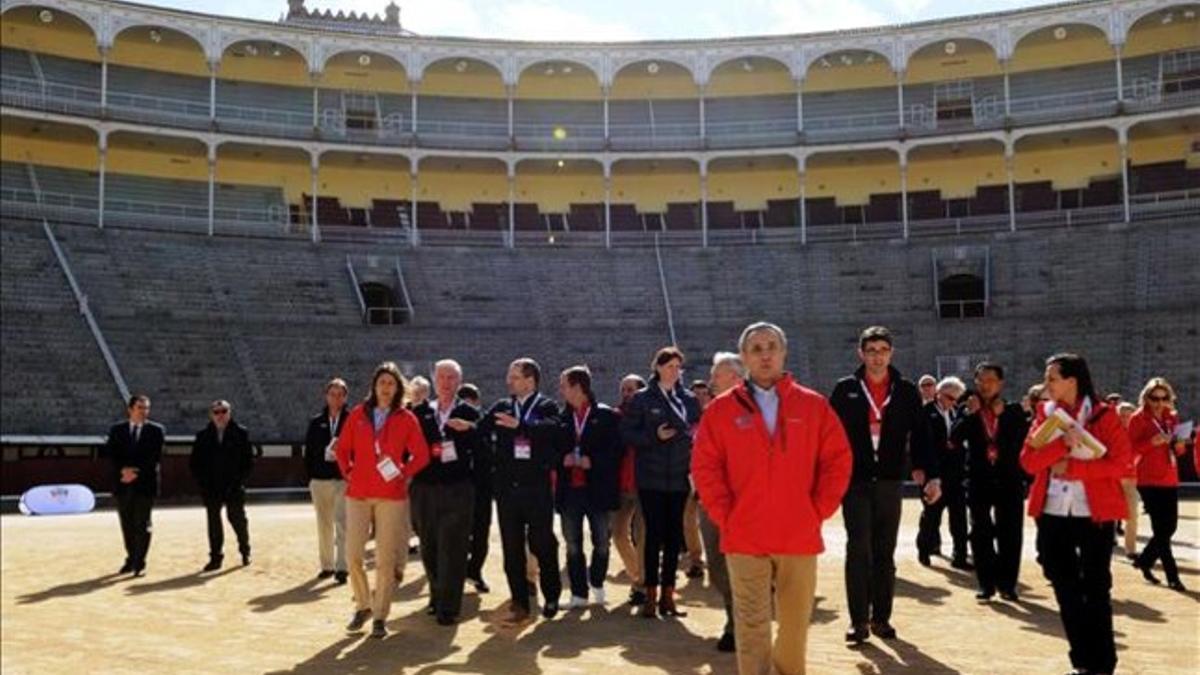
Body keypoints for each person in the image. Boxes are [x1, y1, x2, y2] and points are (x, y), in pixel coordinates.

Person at [694, 323, 853, 675]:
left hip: (797, 533)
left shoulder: (813, 406)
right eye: (756, 349)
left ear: (783, 353)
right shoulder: (720, 412)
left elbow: (837, 461)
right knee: (751, 626)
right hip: (744, 535)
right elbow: (706, 468)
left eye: (771, 347)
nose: (765, 354)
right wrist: (726, 515)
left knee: (795, 625)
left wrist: (817, 510)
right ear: (745, 358)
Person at [1021, 353, 1130, 675]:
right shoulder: (1045, 414)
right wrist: (1061, 447)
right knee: (1064, 587)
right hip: (1053, 513)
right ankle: (1083, 661)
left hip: (1094, 514)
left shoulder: (1104, 415)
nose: (1047, 384)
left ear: (1073, 380)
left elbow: (1121, 463)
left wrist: (1073, 468)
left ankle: (1103, 664)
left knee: (1096, 589)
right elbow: (1028, 462)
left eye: (1052, 378)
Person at [830, 326, 939, 644]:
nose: (877, 356)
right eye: (871, 350)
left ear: (891, 353)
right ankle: (858, 621)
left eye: (883, 350)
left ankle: (881, 619)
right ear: (860, 353)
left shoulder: (905, 390)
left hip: (890, 480)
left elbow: (921, 434)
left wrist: (926, 470)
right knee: (857, 549)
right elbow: (830, 435)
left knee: (884, 552)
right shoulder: (845, 389)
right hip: (855, 481)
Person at [335, 361, 431, 639]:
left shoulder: (406, 418)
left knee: (385, 559)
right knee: (353, 555)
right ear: (374, 386)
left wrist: (403, 473)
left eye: (391, 383)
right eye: (382, 383)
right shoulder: (357, 415)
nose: (386, 388)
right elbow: (342, 450)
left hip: (391, 495)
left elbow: (421, 454)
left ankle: (380, 615)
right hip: (359, 494)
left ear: (397, 387)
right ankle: (363, 604)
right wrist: (349, 473)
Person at [478, 358, 564, 624]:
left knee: (542, 542)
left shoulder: (546, 406)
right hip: (507, 490)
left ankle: (551, 594)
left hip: (536, 489)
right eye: (510, 376)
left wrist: (522, 427)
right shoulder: (503, 406)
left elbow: (555, 432)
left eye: (514, 377)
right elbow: (482, 429)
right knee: (511, 547)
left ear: (530, 380)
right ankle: (519, 602)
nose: (509, 381)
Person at [621, 346, 701, 619]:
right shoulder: (642, 399)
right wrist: (654, 437)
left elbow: (698, 429)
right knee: (652, 536)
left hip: (679, 477)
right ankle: (650, 595)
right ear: (657, 367)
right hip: (651, 477)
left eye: (678, 367)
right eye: (670, 366)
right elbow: (628, 433)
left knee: (673, 538)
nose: (674, 371)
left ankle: (669, 595)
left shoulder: (688, 399)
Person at [410, 360, 482, 625]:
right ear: (434, 380)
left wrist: (472, 429)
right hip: (424, 488)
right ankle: (436, 595)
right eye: (441, 377)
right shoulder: (420, 412)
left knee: (453, 547)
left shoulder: (470, 412)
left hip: (457, 488)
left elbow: (484, 443)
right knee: (429, 545)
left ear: (459, 382)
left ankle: (449, 607)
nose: (446, 382)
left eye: (452, 377)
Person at [955, 363, 1029, 601]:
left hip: (1009, 479)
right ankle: (986, 584)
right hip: (979, 480)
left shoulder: (1014, 410)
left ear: (1000, 383)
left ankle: (1007, 584)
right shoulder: (968, 409)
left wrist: (1001, 418)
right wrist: (970, 414)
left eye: (990, 380)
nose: (985, 385)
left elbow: (1022, 442)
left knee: (1010, 532)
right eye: (981, 380)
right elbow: (954, 439)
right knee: (980, 532)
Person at [555, 366, 623, 609]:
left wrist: (593, 461)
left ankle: (597, 581)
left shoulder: (607, 416)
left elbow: (617, 451)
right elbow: (551, 450)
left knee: (602, 541)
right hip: (570, 489)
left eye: (564, 385)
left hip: (598, 489)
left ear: (577, 387)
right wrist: (560, 460)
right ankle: (578, 593)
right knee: (572, 544)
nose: (560, 390)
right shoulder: (561, 418)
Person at [698, 351, 744, 652]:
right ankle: (736, 616)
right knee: (716, 566)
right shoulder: (711, 411)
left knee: (740, 566)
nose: (712, 378)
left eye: (718, 373)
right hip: (710, 501)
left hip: (742, 503)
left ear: (736, 378)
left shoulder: (754, 410)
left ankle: (739, 624)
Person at [1129, 377, 1188, 591]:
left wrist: (1180, 444)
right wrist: (1150, 443)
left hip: (1169, 476)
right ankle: (1173, 576)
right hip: (1148, 479)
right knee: (1161, 529)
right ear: (1146, 397)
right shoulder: (1138, 418)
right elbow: (1130, 450)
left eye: (1164, 398)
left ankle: (1145, 560)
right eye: (1155, 398)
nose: (1159, 402)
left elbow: (1179, 451)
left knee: (1169, 528)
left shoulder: (1172, 417)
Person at [190, 400, 254, 571]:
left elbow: (248, 462)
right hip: (211, 487)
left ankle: (245, 549)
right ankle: (215, 557)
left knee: (237, 519)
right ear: (211, 414)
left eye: (223, 411)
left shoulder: (241, 433)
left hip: (234, 486)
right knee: (213, 522)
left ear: (229, 413)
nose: (220, 415)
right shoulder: (203, 435)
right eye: (216, 412)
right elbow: (195, 463)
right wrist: (203, 483)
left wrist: (239, 482)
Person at [104, 394, 164, 577]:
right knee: (127, 524)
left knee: (143, 523)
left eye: (146, 408)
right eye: (140, 407)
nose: (144, 411)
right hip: (123, 484)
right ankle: (131, 558)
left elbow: (154, 457)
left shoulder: (156, 430)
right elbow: (112, 455)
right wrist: (123, 471)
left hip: (145, 484)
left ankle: (140, 562)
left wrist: (134, 473)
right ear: (130, 409)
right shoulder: (117, 430)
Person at [916, 376, 969, 569]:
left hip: (955, 474)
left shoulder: (959, 414)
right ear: (938, 394)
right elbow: (920, 445)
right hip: (934, 474)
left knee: (959, 517)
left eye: (956, 399)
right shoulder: (925, 413)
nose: (953, 402)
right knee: (932, 516)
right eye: (949, 397)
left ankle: (960, 555)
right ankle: (924, 549)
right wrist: (921, 470)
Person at [304, 378, 351, 584]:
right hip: (320, 479)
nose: (336, 398)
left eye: (340, 394)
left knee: (342, 523)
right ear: (326, 396)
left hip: (343, 479)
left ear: (345, 397)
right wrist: (312, 474)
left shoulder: (352, 420)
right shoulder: (316, 422)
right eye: (332, 394)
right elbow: (309, 451)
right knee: (323, 524)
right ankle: (327, 565)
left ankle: (343, 566)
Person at [612, 374, 648, 605]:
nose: (627, 393)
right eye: (624, 389)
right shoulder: (615, 417)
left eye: (631, 389)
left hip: (645, 483)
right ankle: (639, 575)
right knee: (617, 534)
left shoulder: (649, 416)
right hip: (622, 483)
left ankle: (639, 586)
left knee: (642, 536)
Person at [681, 379, 712, 580]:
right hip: (686, 476)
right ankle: (695, 560)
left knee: (711, 522)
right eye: (696, 395)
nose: (700, 399)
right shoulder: (684, 419)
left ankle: (718, 559)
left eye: (704, 394)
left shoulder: (717, 417)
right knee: (688, 520)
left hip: (710, 478)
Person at [1115, 401, 1139, 561]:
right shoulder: (1112, 432)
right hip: (1112, 477)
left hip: (1131, 477)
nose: (1125, 419)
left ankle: (1130, 549)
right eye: (1122, 416)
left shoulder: (1137, 433)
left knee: (1132, 514)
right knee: (1108, 514)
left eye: (1128, 416)